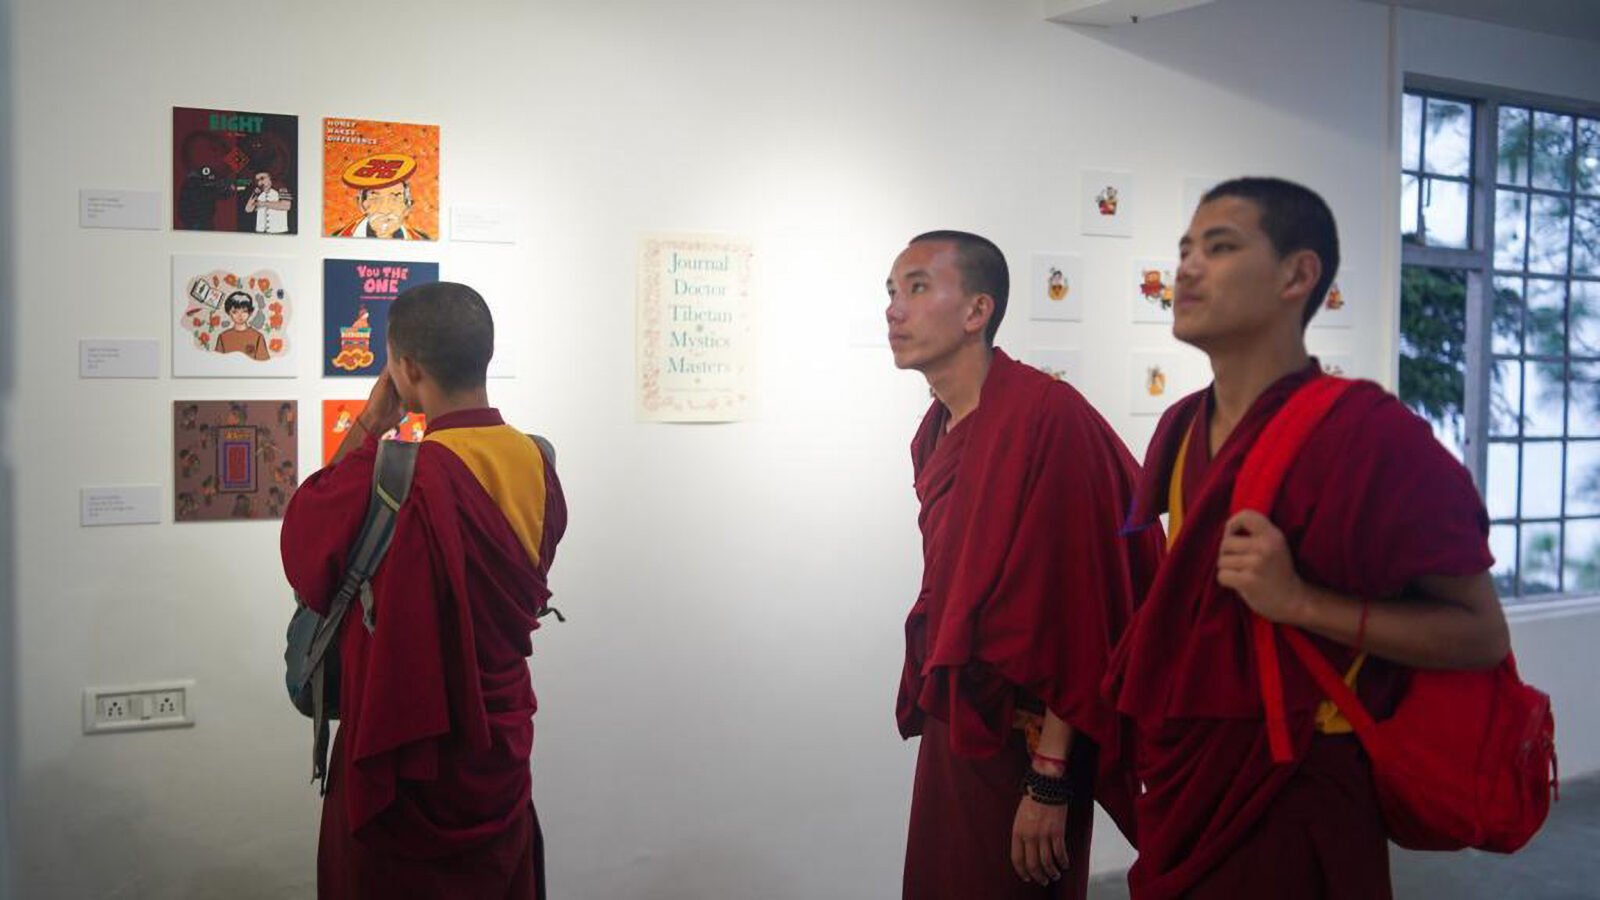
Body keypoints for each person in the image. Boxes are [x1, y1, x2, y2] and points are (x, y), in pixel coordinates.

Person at [1103, 177, 1510, 899]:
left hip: (1294, 786)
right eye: (1185, 250)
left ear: (1298, 273)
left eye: (1220, 248)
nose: (1188, 268)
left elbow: (1479, 633)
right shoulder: (1181, 428)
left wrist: (1299, 602)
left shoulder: (1369, 436)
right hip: (1186, 781)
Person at [886, 230, 1163, 900]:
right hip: (959, 723)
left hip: (1031, 743)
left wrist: (1048, 779)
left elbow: (1080, 612)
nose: (895, 310)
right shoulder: (936, 432)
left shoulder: (1046, 419)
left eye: (918, 288)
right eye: (891, 293)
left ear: (977, 311)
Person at [281, 281, 566, 899]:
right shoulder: (536, 462)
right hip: (496, 744)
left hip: (404, 751)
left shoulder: (394, 470)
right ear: (483, 356)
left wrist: (371, 425)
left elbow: (306, 556)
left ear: (406, 368)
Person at [330, 179, 431, 239]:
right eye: (375, 197)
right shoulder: (338, 238)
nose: (384, 209)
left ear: (408, 207)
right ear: (361, 204)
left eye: (396, 197)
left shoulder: (422, 240)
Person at [214, 292, 270, 360]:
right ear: (229, 313)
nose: (240, 315)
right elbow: (217, 362)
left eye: (244, 311)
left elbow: (263, 363)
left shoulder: (258, 337)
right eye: (235, 312)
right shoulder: (223, 337)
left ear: (250, 312)